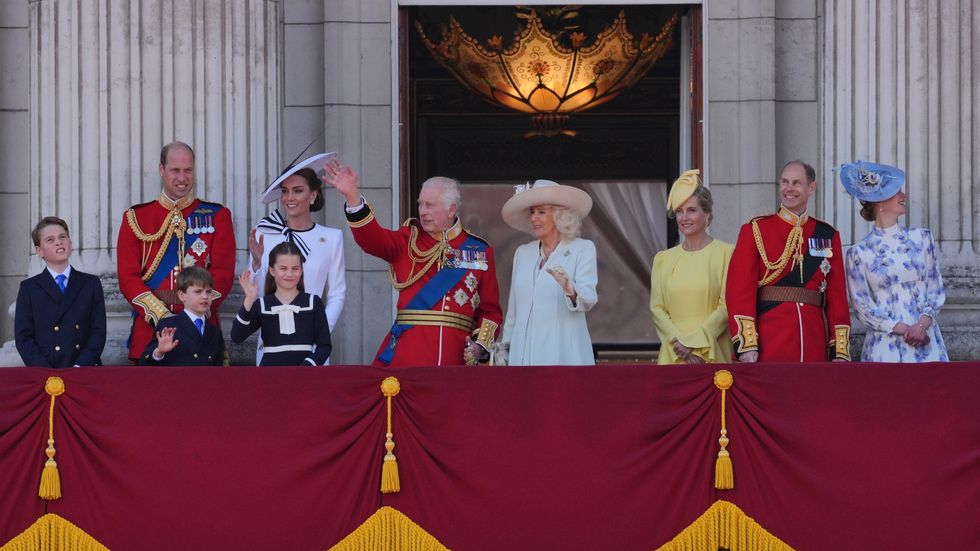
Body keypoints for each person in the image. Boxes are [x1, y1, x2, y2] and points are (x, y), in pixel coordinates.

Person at [321, 159, 502, 366]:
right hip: (408, 356)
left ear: (451, 210)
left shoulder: (479, 250)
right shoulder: (407, 240)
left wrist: (480, 345)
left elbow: (490, 310)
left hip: (456, 358)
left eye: (430, 205)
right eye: (420, 204)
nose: (422, 211)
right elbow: (372, 239)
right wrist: (352, 197)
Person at [117, 142, 236, 363]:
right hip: (151, 330)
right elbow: (127, 277)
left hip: (201, 329)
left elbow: (223, 273)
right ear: (162, 170)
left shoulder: (217, 215)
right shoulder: (136, 218)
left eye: (188, 170)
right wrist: (161, 317)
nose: (182, 178)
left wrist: (194, 315)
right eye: (175, 170)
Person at [726, 160, 851, 362]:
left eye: (796, 183)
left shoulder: (826, 235)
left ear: (811, 188)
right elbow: (739, 291)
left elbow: (836, 297)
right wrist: (747, 344)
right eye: (784, 182)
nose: (789, 189)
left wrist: (839, 350)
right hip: (770, 343)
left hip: (814, 344)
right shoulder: (756, 230)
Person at [838, 160, 948, 362]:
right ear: (879, 200)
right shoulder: (858, 252)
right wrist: (904, 329)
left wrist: (922, 325)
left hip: (926, 340)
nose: (903, 195)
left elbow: (936, 287)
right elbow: (862, 306)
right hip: (884, 344)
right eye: (897, 191)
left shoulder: (922, 238)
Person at [249, 153, 345, 365]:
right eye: (285, 191)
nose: (289, 198)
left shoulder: (332, 237)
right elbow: (255, 294)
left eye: (298, 191)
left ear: (313, 195)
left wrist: (317, 330)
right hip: (271, 340)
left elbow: (337, 294)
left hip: (311, 344)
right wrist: (256, 264)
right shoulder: (265, 233)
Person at [498, 180, 597, 365]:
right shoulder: (523, 252)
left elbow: (589, 298)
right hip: (522, 357)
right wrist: (506, 350)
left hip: (564, 355)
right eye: (532, 212)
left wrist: (570, 288)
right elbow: (513, 311)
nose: (534, 217)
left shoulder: (582, 249)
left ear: (559, 216)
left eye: (542, 212)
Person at [650, 170, 733, 364]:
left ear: (706, 214)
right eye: (679, 210)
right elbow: (657, 308)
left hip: (712, 349)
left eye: (691, 210)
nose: (684, 217)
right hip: (674, 353)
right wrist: (680, 345)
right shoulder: (664, 259)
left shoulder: (726, 253)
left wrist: (694, 343)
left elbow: (726, 306)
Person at [15, 217, 107, 368]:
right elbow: (24, 337)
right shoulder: (29, 288)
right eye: (50, 240)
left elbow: (98, 331)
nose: (58, 242)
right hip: (46, 372)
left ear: (70, 243)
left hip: (84, 370)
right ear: (39, 251)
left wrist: (80, 367)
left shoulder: (91, 283)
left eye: (62, 237)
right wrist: (46, 372)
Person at [231, 241, 332, 366]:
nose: (289, 274)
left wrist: (307, 366)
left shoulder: (313, 302)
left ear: (301, 270)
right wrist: (249, 300)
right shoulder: (262, 305)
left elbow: (325, 346)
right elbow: (237, 336)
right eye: (283, 268)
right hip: (270, 377)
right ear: (272, 271)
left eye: (295, 268)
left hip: (305, 377)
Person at [140, 266, 225, 366]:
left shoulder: (215, 331)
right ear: (181, 295)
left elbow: (218, 371)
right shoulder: (168, 325)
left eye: (209, 291)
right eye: (198, 292)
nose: (205, 296)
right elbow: (144, 365)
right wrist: (159, 352)